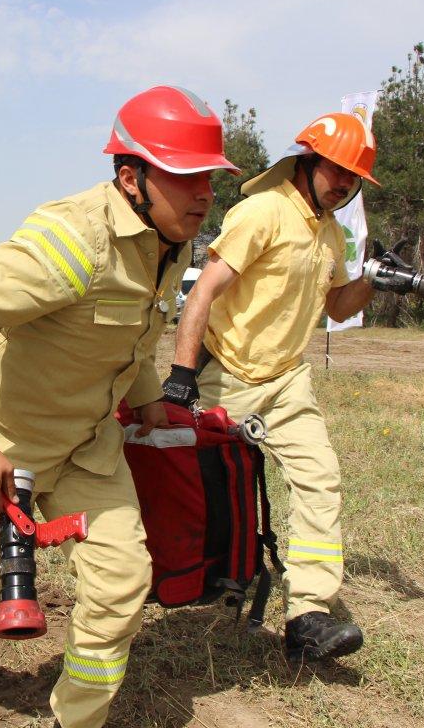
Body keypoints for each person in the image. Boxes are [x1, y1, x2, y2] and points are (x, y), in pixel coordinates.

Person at [0, 86, 238, 728]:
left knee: (121, 585)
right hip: (4, 449)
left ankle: (77, 718)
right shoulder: (73, 240)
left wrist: (148, 403)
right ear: (131, 177)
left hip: (89, 447)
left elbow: (127, 339)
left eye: (208, 178)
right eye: (185, 176)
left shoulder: (168, 243)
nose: (204, 194)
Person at [164, 112, 387, 663]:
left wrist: (370, 281)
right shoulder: (262, 212)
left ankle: (307, 613)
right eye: (337, 171)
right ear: (307, 162)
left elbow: (337, 306)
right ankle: (199, 576)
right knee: (197, 483)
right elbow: (203, 294)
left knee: (320, 478)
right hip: (228, 373)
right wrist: (182, 377)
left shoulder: (331, 233)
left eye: (352, 178)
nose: (342, 184)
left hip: (288, 382)